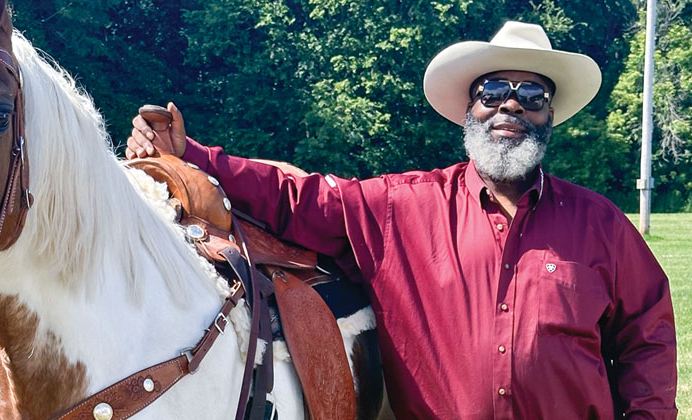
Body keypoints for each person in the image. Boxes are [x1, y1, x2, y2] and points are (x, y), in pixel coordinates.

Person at [126, 21, 677, 419]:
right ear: (470, 107)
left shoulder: (601, 226)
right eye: (493, 92)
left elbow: (646, 336)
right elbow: (296, 198)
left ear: (549, 114)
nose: (511, 106)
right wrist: (192, 155)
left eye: (531, 94)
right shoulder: (402, 209)